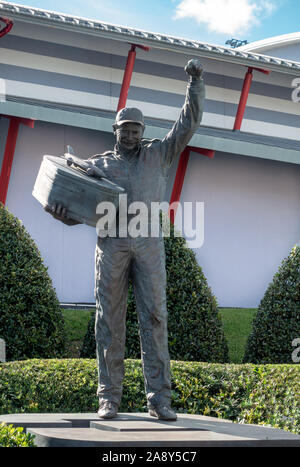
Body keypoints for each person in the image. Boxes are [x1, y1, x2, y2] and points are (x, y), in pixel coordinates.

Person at [46, 59, 205, 421]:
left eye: (136, 130)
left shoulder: (159, 153)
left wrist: (194, 83)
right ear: (115, 130)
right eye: (124, 130)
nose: (130, 135)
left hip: (149, 243)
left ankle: (159, 399)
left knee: (155, 317)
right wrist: (63, 214)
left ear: (143, 130)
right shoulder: (97, 165)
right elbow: (79, 208)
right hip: (113, 244)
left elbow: (188, 122)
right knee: (108, 320)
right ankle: (109, 399)